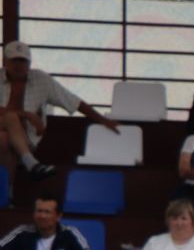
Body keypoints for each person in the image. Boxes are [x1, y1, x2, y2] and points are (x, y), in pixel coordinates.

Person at [0, 40, 118, 180]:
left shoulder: (42, 80)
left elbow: (73, 101)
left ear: (29, 63)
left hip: (26, 140)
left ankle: (7, 197)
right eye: (14, 60)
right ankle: (31, 164)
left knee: (5, 140)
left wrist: (103, 120)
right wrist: (27, 115)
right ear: (4, 61)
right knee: (10, 119)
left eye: (22, 60)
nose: (18, 65)